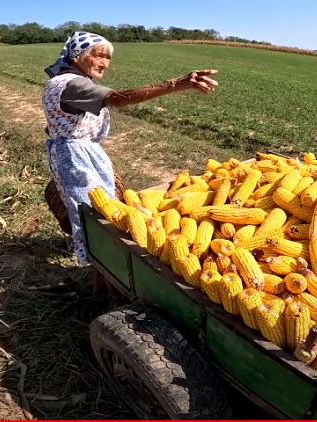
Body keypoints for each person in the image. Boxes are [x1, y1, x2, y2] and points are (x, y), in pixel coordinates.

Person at [42, 31, 219, 266]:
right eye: (98, 56)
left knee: (102, 206)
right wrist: (177, 84)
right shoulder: (72, 84)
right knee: (94, 214)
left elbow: (56, 124)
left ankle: (100, 258)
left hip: (77, 151)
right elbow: (118, 98)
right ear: (76, 56)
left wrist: (63, 136)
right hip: (76, 155)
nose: (105, 63)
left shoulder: (66, 82)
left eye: (108, 58)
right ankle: (100, 265)